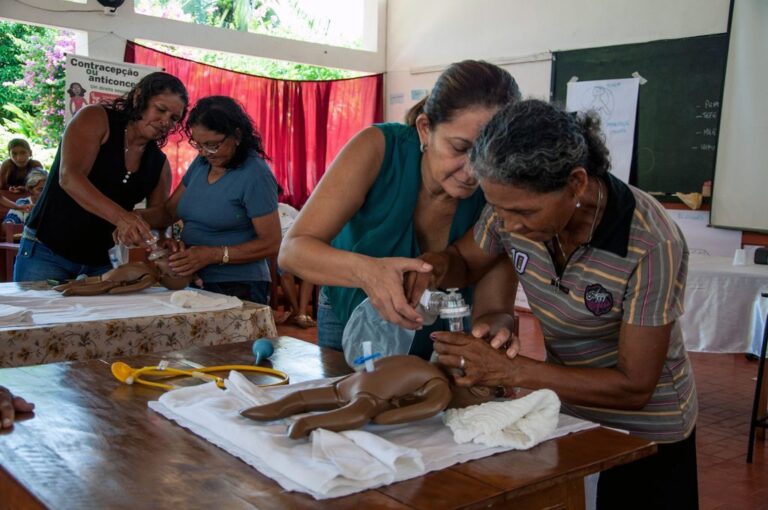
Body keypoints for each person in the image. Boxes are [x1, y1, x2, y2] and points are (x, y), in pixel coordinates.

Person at [421, 100, 698, 509]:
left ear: (576, 183)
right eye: (498, 208)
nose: (509, 225)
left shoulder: (652, 242)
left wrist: (514, 370)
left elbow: (635, 386)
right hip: (569, 414)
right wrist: (426, 269)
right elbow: (464, 260)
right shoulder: (509, 210)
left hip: (648, 432)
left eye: (523, 212)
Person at [279, 60, 522, 357]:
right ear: (424, 128)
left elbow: (495, 308)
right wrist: (367, 272)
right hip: (353, 318)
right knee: (350, 394)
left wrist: (492, 332)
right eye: (460, 148)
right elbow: (293, 251)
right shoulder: (378, 149)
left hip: (445, 332)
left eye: (490, 154)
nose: (473, 170)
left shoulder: (501, 192)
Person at [13, 72, 189, 283]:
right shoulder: (96, 119)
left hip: (101, 263)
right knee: (35, 316)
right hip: (47, 251)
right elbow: (70, 177)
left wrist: (162, 241)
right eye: (160, 110)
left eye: (174, 119)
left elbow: (158, 217)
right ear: (139, 97)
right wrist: (123, 218)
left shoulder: (159, 164)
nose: (165, 122)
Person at [139, 96, 280, 304]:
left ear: (237, 135)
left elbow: (271, 243)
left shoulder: (255, 174)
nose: (205, 152)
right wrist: (130, 218)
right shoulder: (202, 163)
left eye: (213, 145)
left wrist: (212, 254)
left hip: (238, 285)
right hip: (194, 280)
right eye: (199, 145)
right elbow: (168, 212)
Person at [276, 200, 316, 327]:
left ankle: (302, 313)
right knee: (285, 272)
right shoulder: (262, 212)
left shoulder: (285, 207)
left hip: (298, 244)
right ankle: (297, 310)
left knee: (310, 270)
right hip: (279, 248)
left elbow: (303, 221)